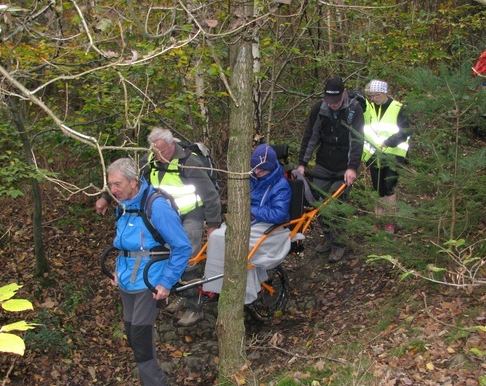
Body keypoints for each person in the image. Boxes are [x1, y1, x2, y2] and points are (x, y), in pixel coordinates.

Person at [96, 127, 221, 328]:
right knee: (164, 255)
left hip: (190, 215)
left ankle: (194, 307)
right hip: (162, 214)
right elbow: (125, 180)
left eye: (163, 151)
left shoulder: (190, 163)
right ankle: (174, 291)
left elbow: (211, 196)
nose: (159, 156)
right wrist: (105, 198)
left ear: (173, 145)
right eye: (155, 151)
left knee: (186, 259)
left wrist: (213, 225)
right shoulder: (151, 160)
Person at [105, 157, 191, 386]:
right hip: (128, 280)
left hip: (149, 280)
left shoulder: (156, 206)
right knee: (133, 334)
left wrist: (166, 282)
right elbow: (126, 245)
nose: (113, 190)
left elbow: (182, 246)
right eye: (110, 185)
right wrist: (117, 270)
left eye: (117, 184)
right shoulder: (124, 207)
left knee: (140, 336)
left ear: (133, 181)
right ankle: (151, 381)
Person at [202, 144, 291, 304]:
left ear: (270, 169)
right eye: (255, 168)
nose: (256, 172)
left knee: (238, 244)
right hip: (247, 220)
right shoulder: (250, 177)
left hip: (267, 225)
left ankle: (245, 291)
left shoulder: (281, 186)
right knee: (216, 237)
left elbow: (279, 214)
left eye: (261, 170)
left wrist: (250, 208)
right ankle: (215, 285)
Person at [297, 77, 364, 263]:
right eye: (329, 101)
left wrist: (351, 168)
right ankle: (328, 238)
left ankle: (339, 244)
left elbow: (357, 140)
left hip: (344, 166)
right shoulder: (320, 109)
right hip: (324, 163)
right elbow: (311, 137)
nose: (332, 105)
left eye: (335, 101)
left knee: (337, 203)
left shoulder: (354, 110)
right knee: (318, 202)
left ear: (344, 93)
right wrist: (302, 163)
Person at [362, 79, 411, 233]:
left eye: (376, 95)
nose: (373, 98)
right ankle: (378, 220)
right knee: (377, 189)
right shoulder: (369, 107)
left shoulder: (397, 108)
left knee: (389, 188)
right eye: (371, 95)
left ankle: (390, 222)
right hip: (374, 155)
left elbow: (405, 131)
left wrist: (389, 142)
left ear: (384, 93)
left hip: (393, 155)